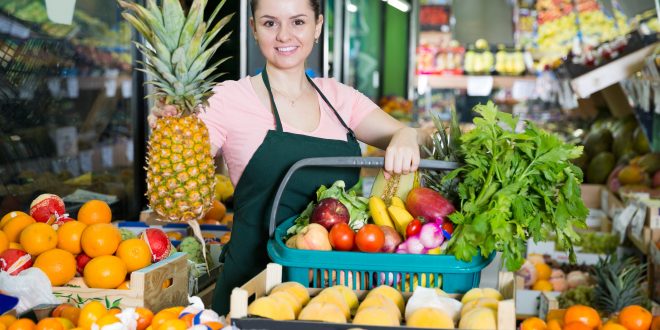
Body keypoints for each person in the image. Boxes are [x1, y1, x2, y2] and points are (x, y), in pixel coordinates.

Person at [149, 0, 427, 315]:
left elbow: (406, 134)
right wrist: (170, 129)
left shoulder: (339, 98)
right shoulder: (226, 99)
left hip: (331, 290)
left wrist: (406, 134)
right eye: (270, 23)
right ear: (253, 28)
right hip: (250, 289)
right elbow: (180, 179)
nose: (284, 35)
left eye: (297, 22)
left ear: (318, 26)